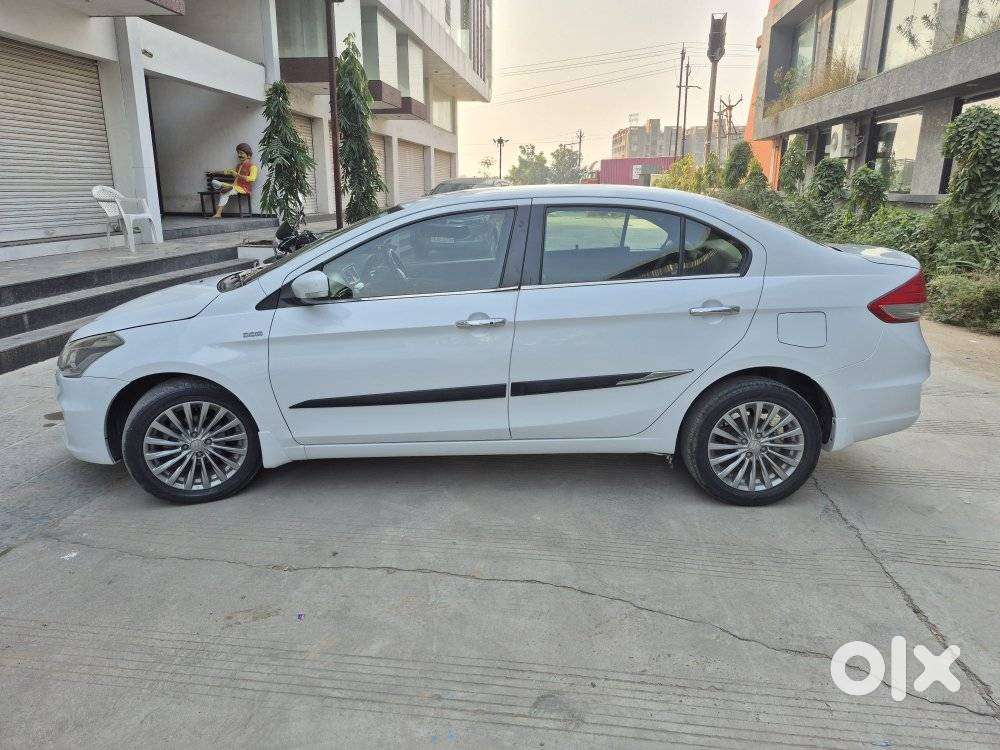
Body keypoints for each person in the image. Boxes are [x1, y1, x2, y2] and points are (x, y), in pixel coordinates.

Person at [210, 143, 259, 219]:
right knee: (214, 182)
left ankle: (218, 213)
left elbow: (252, 178)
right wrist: (214, 172)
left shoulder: (253, 166)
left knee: (225, 192)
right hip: (234, 186)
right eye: (238, 153)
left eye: (241, 153)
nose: (239, 155)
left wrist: (238, 175)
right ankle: (225, 187)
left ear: (248, 155)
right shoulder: (238, 166)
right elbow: (227, 172)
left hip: (243, 189)